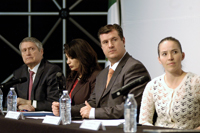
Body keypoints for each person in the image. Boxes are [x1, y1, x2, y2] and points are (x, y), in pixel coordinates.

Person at [52, 24, 150, 119]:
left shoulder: (134, 67)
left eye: (114, 40)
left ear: (123, 41)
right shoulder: (102, 74)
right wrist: (65, 109)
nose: (110, 45)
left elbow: (131, 106)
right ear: (102, 47)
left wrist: (94, 112)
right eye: (105, 42)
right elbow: (92, 103)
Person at [139, 37, 200, 129]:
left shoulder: (196, 82)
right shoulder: (152, 86)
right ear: (159, 59)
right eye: (164, 54)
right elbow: (144, 121)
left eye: (174, 52)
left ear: (182, 55)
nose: (170, 57)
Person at [13, 37, 65, 111]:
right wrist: (19, 106)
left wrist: (29, 103)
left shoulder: (52, 70)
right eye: (24, 50)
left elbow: (54, 103)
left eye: (32, 49)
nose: (27, 53)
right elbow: (8, 99)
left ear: (41, 52)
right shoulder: (19, 73)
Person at [62, 38, 101, 105]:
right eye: (67, 58)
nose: (68, 62)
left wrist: (69, 109)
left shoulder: (96, 76)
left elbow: (93, 104)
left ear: (82, 56)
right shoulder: (73, 76)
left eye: (71, 58)